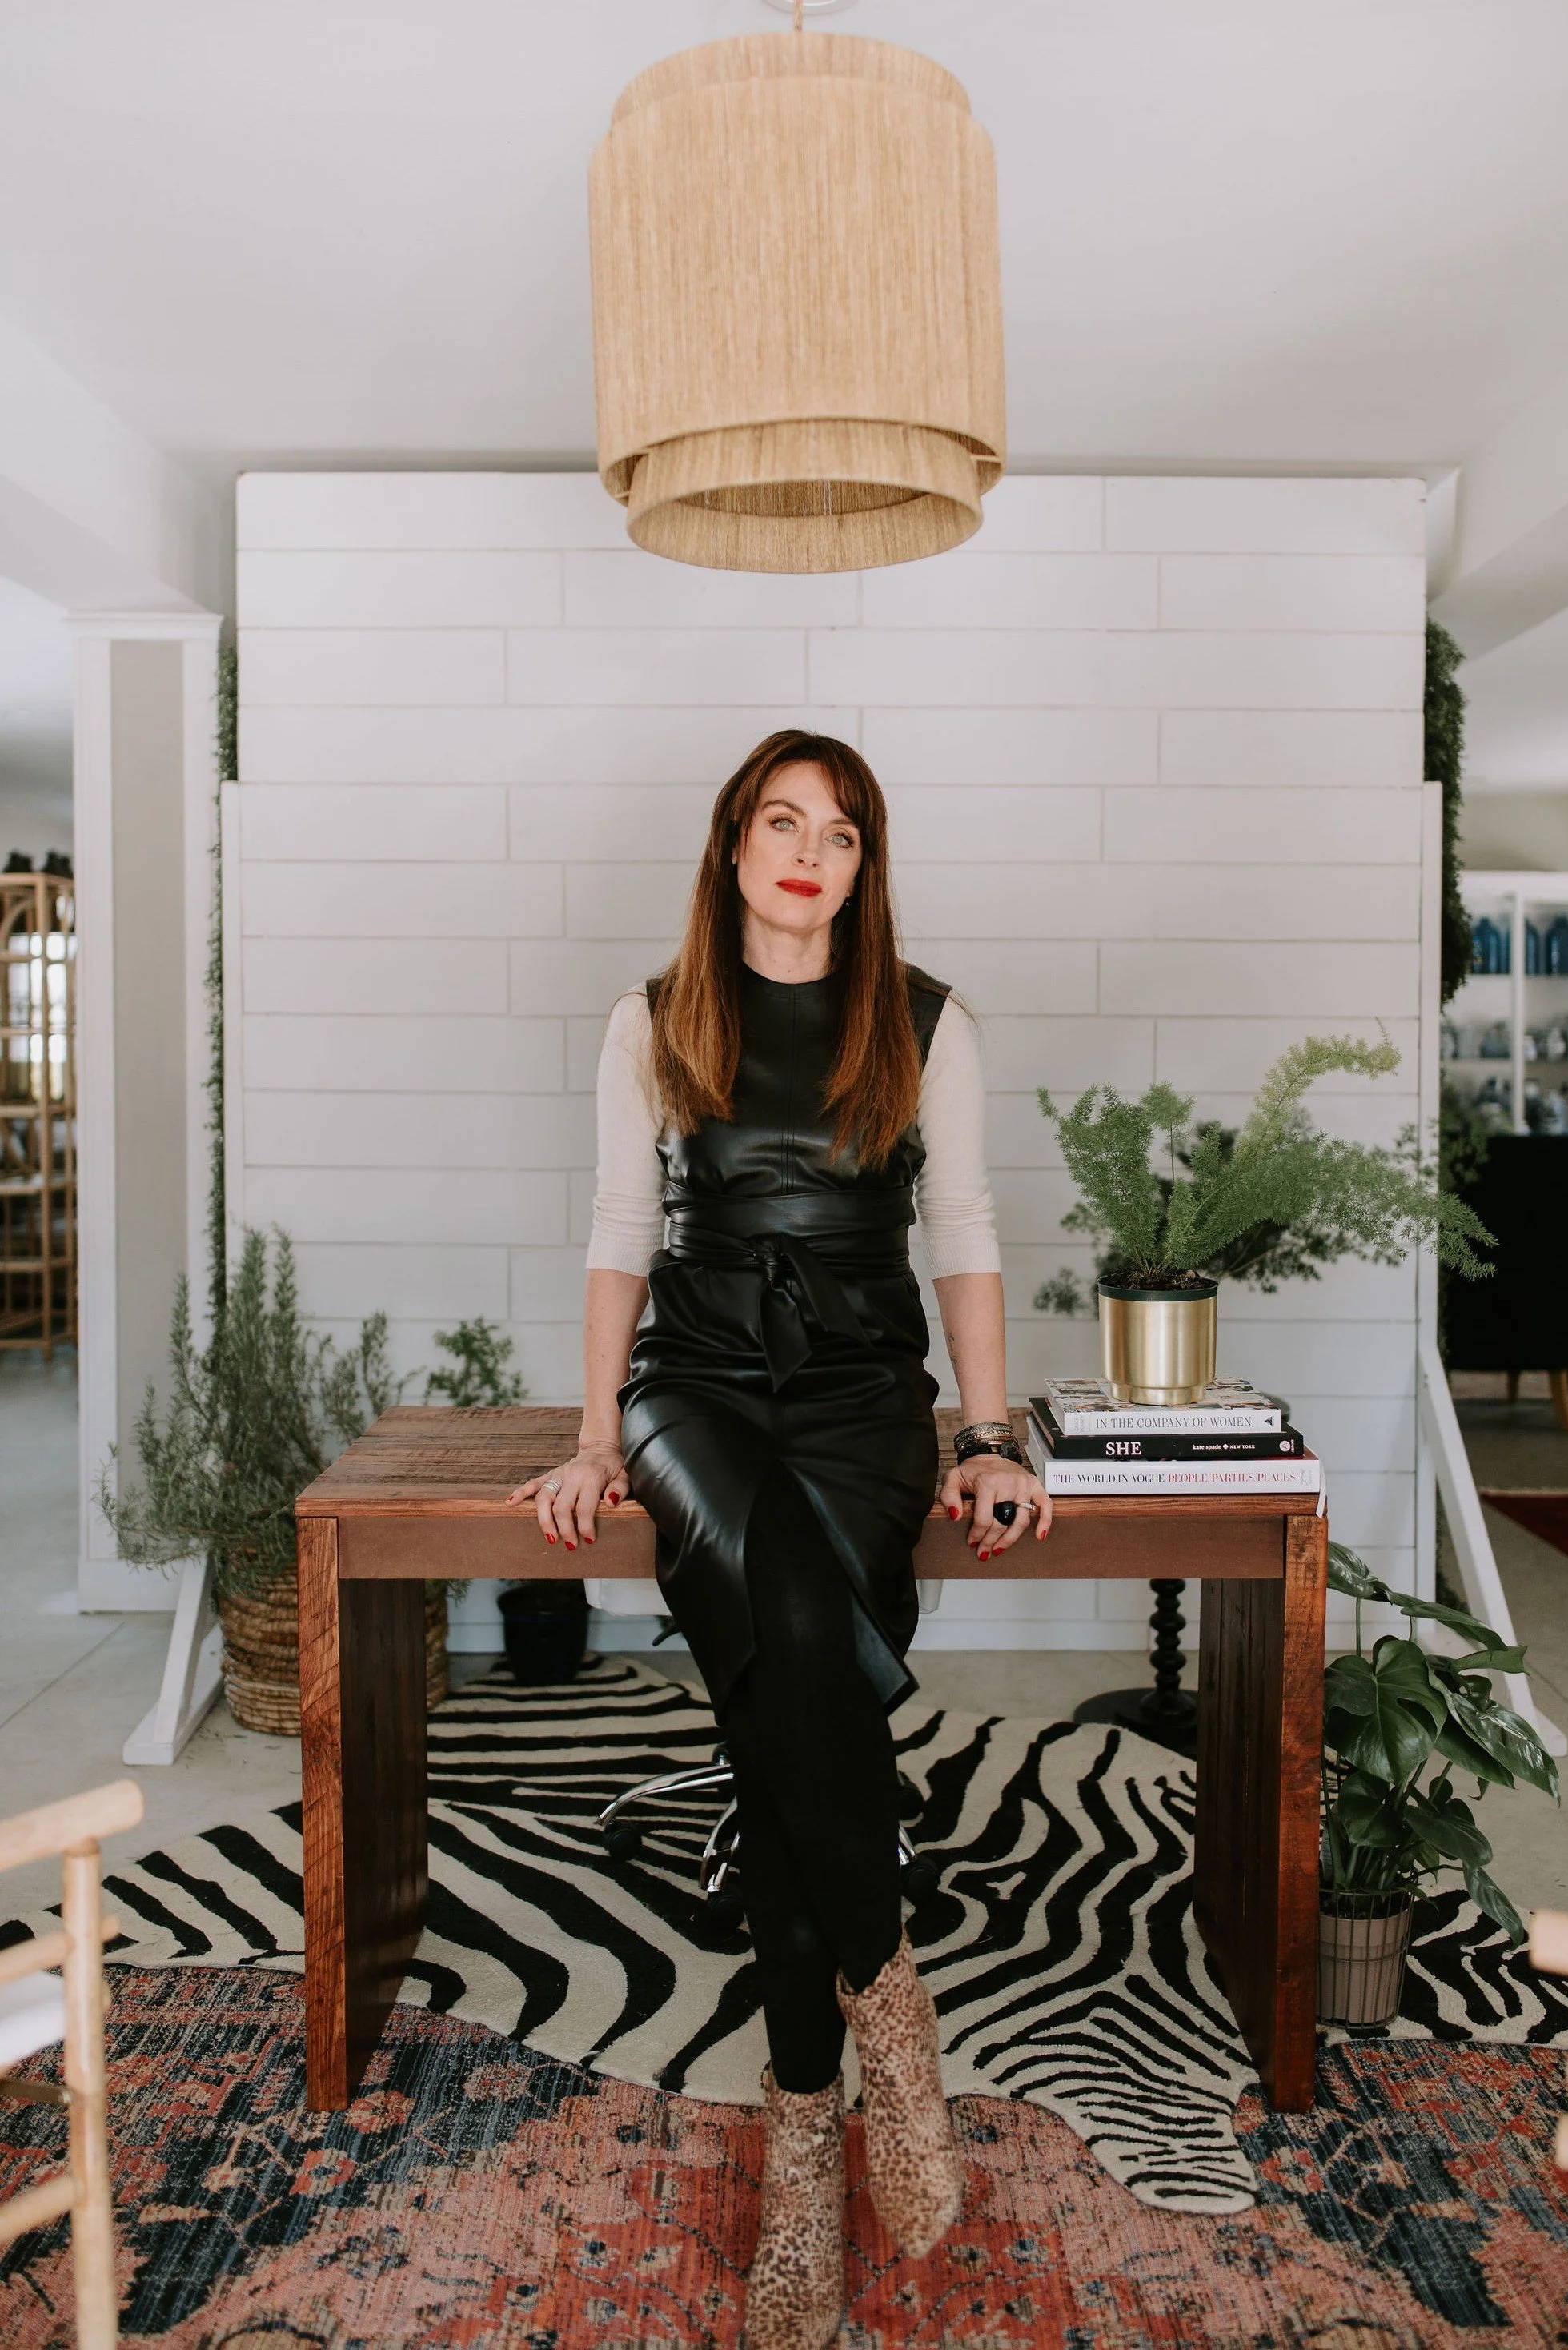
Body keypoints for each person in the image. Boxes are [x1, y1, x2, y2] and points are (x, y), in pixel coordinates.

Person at [509, 729, 1051, 2349]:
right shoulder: (653, 1019)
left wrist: (988, 1432)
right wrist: (596, 1436)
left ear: (864, 864)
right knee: (804, 1645)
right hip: (695, 1390)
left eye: (841, 832)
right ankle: (891, 2010)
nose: (810, 853)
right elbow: (622, 1231)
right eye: (782, 822)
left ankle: (805, 2143)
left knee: (779, 1712)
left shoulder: (926, 1021)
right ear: (733, 846)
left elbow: (963, 1228)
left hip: (862, 1396)